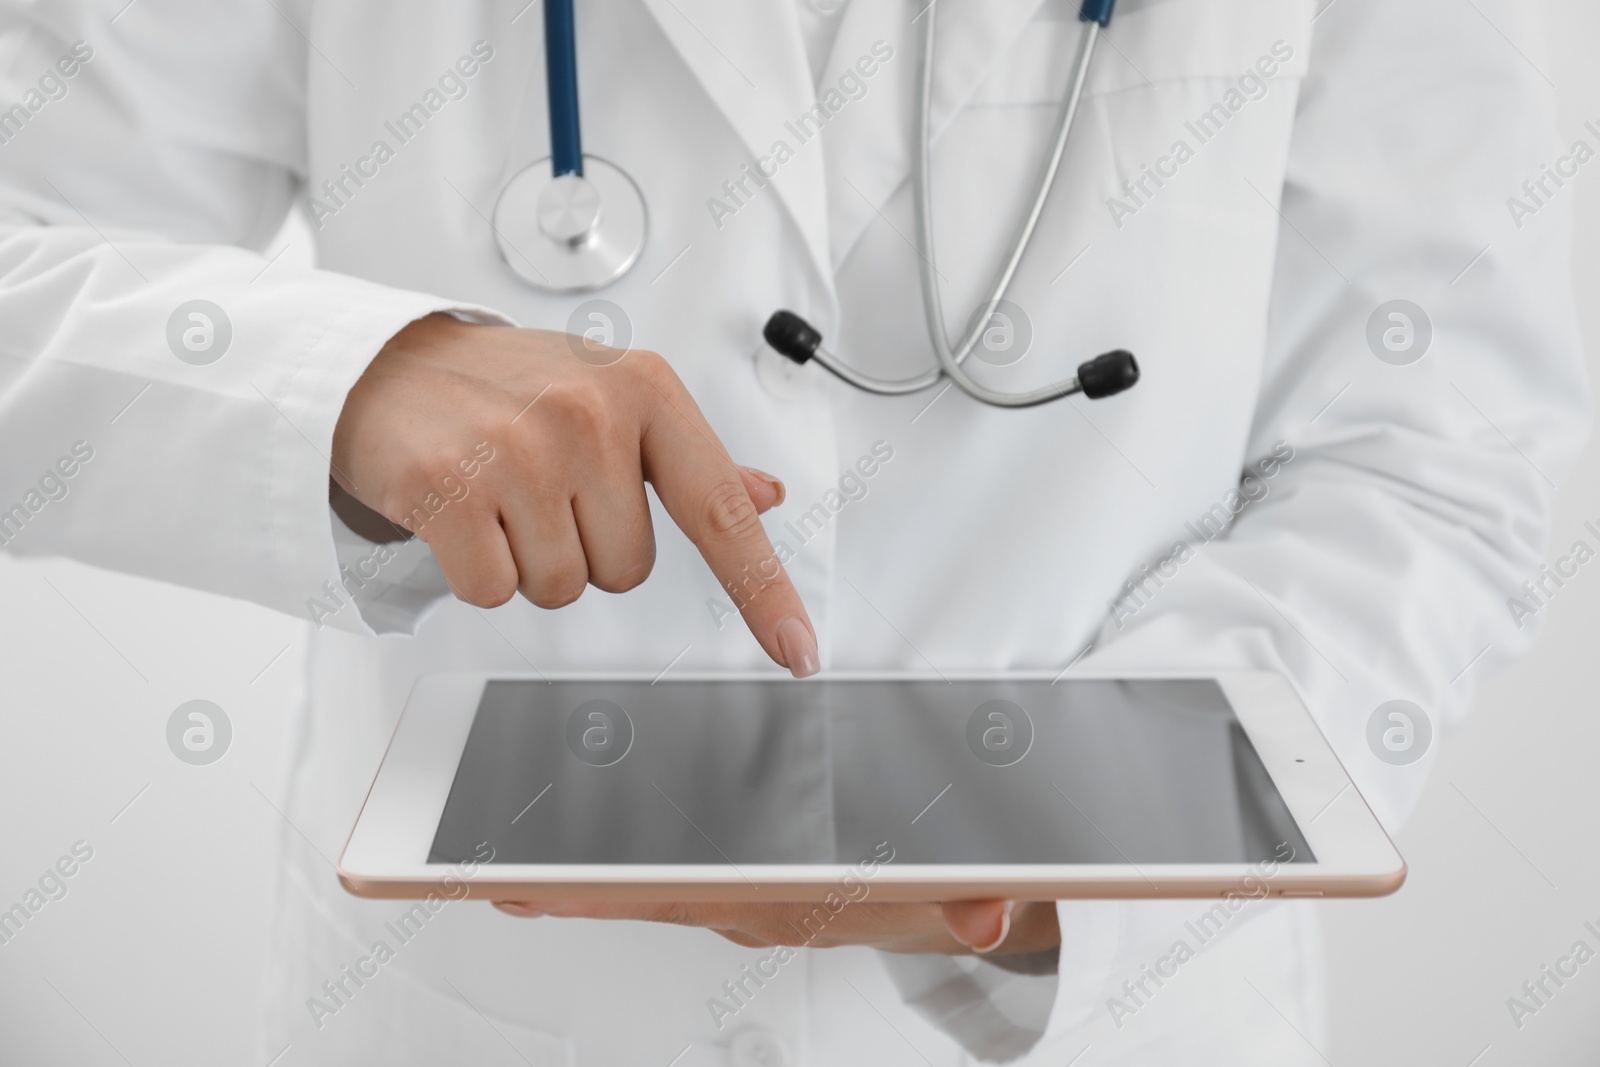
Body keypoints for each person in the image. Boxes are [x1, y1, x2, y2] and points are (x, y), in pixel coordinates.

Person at [0, 0, 1586, 1062]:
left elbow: (1440, 454)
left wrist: (1069, 860)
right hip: (484, 1011)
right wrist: (346, 385)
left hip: (1121, 1016)